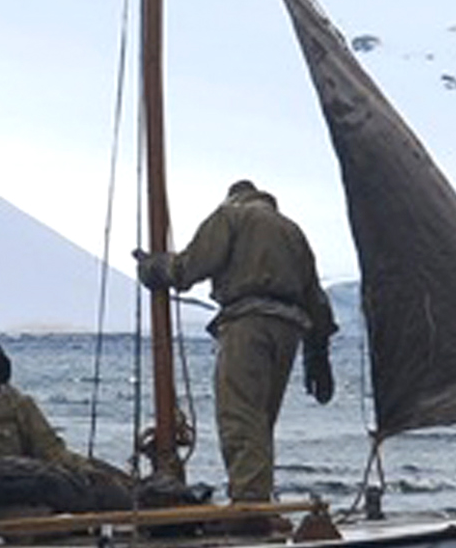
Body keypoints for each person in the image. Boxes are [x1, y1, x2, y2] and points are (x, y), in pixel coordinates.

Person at [137, 179, 336, 505]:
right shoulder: (293, 232)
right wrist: (318, 353)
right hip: (289, 331)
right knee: (261, 422)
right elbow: (316, 298)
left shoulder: (232, 215)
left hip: (248, 323)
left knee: (241, 418)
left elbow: (191, 267)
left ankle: (250, 505)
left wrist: (156, 268)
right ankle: (257, 497)